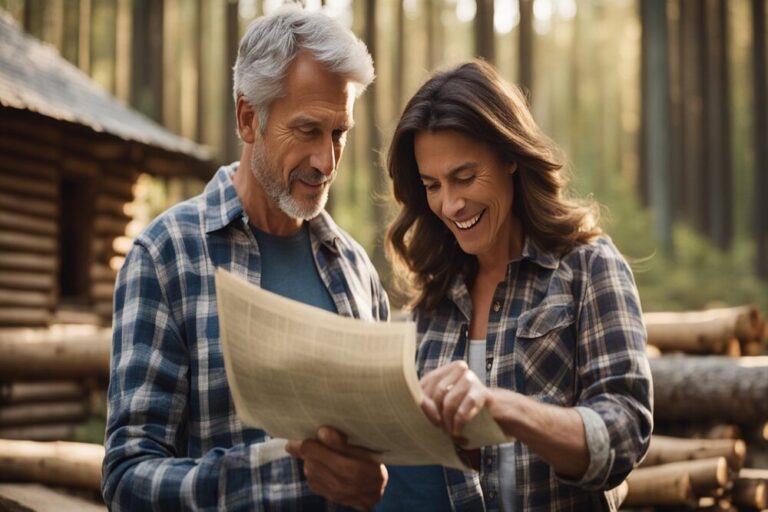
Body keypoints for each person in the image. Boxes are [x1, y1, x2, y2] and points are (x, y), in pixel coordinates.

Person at [102, 7, 389, 511]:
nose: (326, 161)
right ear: (248, 118)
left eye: (339, 133)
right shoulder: (166, 256)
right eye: (307, 131)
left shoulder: (357, 271)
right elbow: (127, 479)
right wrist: (284, 476)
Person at [383, 59, 653, 511]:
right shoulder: (432, 298)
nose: (450, 204)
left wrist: (505, 409)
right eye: (432, 185)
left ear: (510, 156)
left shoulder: (588, 269)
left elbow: (625, 431)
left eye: (465, 177)